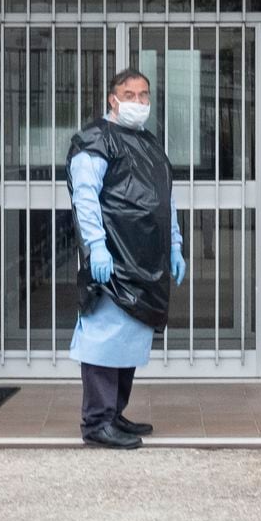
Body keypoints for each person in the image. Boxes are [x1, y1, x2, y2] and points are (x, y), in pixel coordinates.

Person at [65, 68, 186, 448]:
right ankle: (97, 422)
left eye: (144, 95)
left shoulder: (148, 143)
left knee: (129, 338)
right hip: (113, 259)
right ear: (112, 99)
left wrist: (174, 245)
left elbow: (165, 198)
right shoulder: (95, 141)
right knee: (104, 339)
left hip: (145, 261)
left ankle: (114, 414)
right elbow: (85, 197)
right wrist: (96, 245)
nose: (138, 102)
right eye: (129, 94)